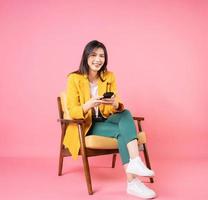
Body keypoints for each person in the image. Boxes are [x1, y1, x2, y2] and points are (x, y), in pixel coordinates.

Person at [63, 40, 156, 199]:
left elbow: (113, 107)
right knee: (121, 133)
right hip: (87, 125)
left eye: (101, 56)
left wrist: (115, 104)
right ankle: (133, 182)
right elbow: (72, 110)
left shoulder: (109, 77)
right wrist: (88, 105)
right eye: (93, 55)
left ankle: (135, 162)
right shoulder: (74, 78)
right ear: (86, 56)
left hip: (105, 119)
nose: (98, 59)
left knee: (125, 112)